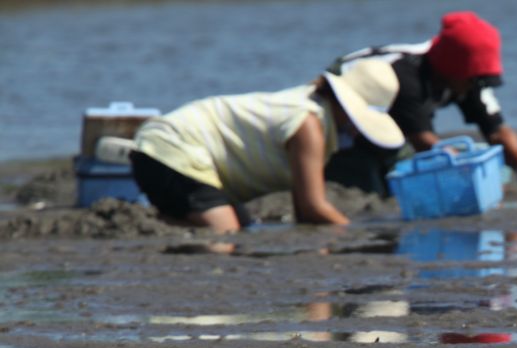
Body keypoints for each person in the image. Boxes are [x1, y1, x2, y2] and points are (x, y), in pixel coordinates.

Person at [129, 61, 404, 233]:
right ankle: (138, 226)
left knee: (245, 226)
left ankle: (158, 219)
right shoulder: (308, 123)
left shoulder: (314, 113)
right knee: (225, 234)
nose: (357, 130)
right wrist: (354, 233)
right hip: (172, 146)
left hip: (176, 153)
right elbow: (313, 207)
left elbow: (304, 213)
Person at [324, 11, 517, 197]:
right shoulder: (406, 76)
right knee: (373, 180)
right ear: (453, 71)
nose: (476, 87)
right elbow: (424, 143)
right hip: (340, 120)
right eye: (474, 81)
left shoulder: (466, 81)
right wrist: (469, 179)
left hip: (382, 126)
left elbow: (497, 130)